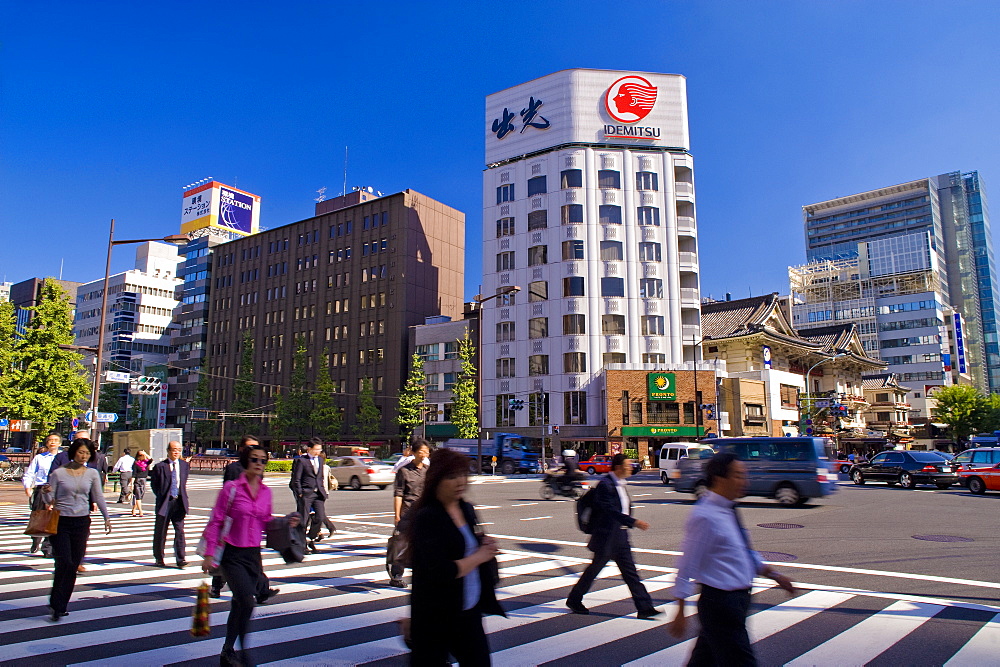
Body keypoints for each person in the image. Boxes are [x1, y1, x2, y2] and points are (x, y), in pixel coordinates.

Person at [669, 452, 797, 666]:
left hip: (735, 603)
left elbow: (743, 552)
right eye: (738, 475)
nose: (744, 481)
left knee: (703, 661)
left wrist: (774, 575)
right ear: (720, 479)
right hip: (720, 605)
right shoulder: (705, 516)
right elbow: (687, 565)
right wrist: (680, 610)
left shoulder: (729, 509)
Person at [201, 444, 299, 666]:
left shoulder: (266, 492)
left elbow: (265, 521)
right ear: (246, 461)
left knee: (239, 603)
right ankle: (243, 651)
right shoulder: (232, 488)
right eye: (255, 459)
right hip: (232, 553)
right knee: (246, 600)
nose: (259, 464)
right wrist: (209, 554)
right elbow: (216, 520)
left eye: (263, 460)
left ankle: (228, 650)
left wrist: (285, 521)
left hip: (253, 555)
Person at [409, 447, 504, 664]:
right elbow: (442, 570)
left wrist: (482, 544)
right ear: (437, 481)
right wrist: (480, 555)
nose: (461, 481)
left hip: (468, 611)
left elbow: (464, 544)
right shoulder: (428, 517)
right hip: (437, 615)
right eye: (452, 476)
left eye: (463, 474)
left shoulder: (466, 509)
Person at [566, 454, 659, 619]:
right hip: (606, 536)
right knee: (594, 570)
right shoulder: (606, 485)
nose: (631, 467)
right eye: (627, 464)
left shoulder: (619, 484)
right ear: (618, 467)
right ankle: (574, 599)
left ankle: (645, 607)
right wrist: (633, 521)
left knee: (630, 573)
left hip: (620, 535)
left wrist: (628, 522)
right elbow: (610, 510)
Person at [44, 438, 111, 622]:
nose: (84, 456)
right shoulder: (59, 473)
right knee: (64, 561)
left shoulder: (92, 474)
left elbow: (98, 496)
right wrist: (46, 493)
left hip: (81, 522)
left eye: (87, 453)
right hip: (61, 521)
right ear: (73, 452)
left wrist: (107, 517)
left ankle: (60, 604)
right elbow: (50, 499)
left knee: (73, 564)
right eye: (81, 452)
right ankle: (56, 602)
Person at [388, 438, 430, 588]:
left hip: (423, 513)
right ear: (413, 452)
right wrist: (397, 515)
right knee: (401, 545)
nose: (424, 454)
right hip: (407, 512)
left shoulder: (427, 470)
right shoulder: (404, 471)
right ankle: (396, 576)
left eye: (426, 451)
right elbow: (398, 494)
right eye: (421, 452)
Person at [150, 441, 190, 568]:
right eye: (174, 449)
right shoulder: (160, 466)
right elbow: (154, 485)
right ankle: (159, 557)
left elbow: (183, 483)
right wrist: (162, 496)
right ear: (168, 451)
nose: (176, 452)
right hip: (165, 502)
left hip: (179, 502)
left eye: (179, 449)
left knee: (180, 531)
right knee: (161, 531)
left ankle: (181, 559)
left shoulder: (184, 465)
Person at [23, 433, 62, 556]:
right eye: (50, 440)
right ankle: (35, 540)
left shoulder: (63, 458)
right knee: (38, 516)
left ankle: (47, 547)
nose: (53, 442)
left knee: (53, 518)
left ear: (60, 443)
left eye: (55, 440)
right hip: (42, 489)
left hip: (57, 490)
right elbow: (30, 473)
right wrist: (28, 486)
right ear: (46, 443)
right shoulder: (40, 458)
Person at [290, 437, 329, 554]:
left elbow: (320, 477)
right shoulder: (302, 461)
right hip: (306, 494)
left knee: (320, 517)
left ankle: (310, 538)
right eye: (316, 449)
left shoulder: (320, 460)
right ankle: (302, 545)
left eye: (320, 449)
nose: (318, 452)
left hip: (318, 494)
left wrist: (323, 490)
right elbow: (296, 479)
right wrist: (300, 493)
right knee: (304, 520)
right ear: (309, 449)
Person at [131, 450, 151, 516]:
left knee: (141, 495)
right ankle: (140, 511)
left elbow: (151, 459)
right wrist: (131, 483)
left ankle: (134, 509)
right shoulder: (135, 463)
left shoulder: (146, 463)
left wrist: (145, 453)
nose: (142, 456)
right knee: (138, 495)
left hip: (144, 479)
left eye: (142, 455)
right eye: (140, 455)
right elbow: (134, 474)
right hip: (137, 480)